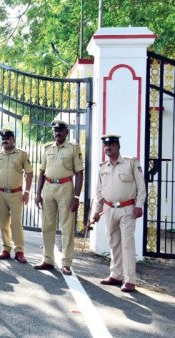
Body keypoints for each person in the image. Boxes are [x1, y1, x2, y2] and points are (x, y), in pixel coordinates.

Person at [91, 134, 146, 293]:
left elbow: (141, 187)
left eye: (111, 145)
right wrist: (96, 211)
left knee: (127, 244)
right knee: (113, 242)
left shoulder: (130, 163)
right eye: (105, 145)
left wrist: (139, 206)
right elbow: (99, 192)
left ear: (118, 146)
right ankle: (116, 275)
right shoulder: (103, 167)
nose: (108, 148)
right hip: (109, 210)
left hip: (127, 209)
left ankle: (130, 280)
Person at [34, 120, 83, 275]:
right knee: (47, 225)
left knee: (66, 227)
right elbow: (41, 171)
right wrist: (37, 193)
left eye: (61, 130)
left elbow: (79, 173)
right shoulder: (47, 148)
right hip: (48, 187)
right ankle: (47, 259)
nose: (58, 133)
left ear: (66, 132)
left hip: (65, 187)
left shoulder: (73, 148)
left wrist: (76, 196)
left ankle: (66, 263)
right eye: (55, 130)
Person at [0, 128, 33, 264]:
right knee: (3, 223)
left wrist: (27, 192)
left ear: (14, 139)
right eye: (3, 138)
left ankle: (19, 251)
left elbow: (29, 173)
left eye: (8, 138)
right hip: (0, 193)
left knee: (16, 224)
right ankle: (6, 249)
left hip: (16, 194)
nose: (5, 140)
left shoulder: (22, 155)